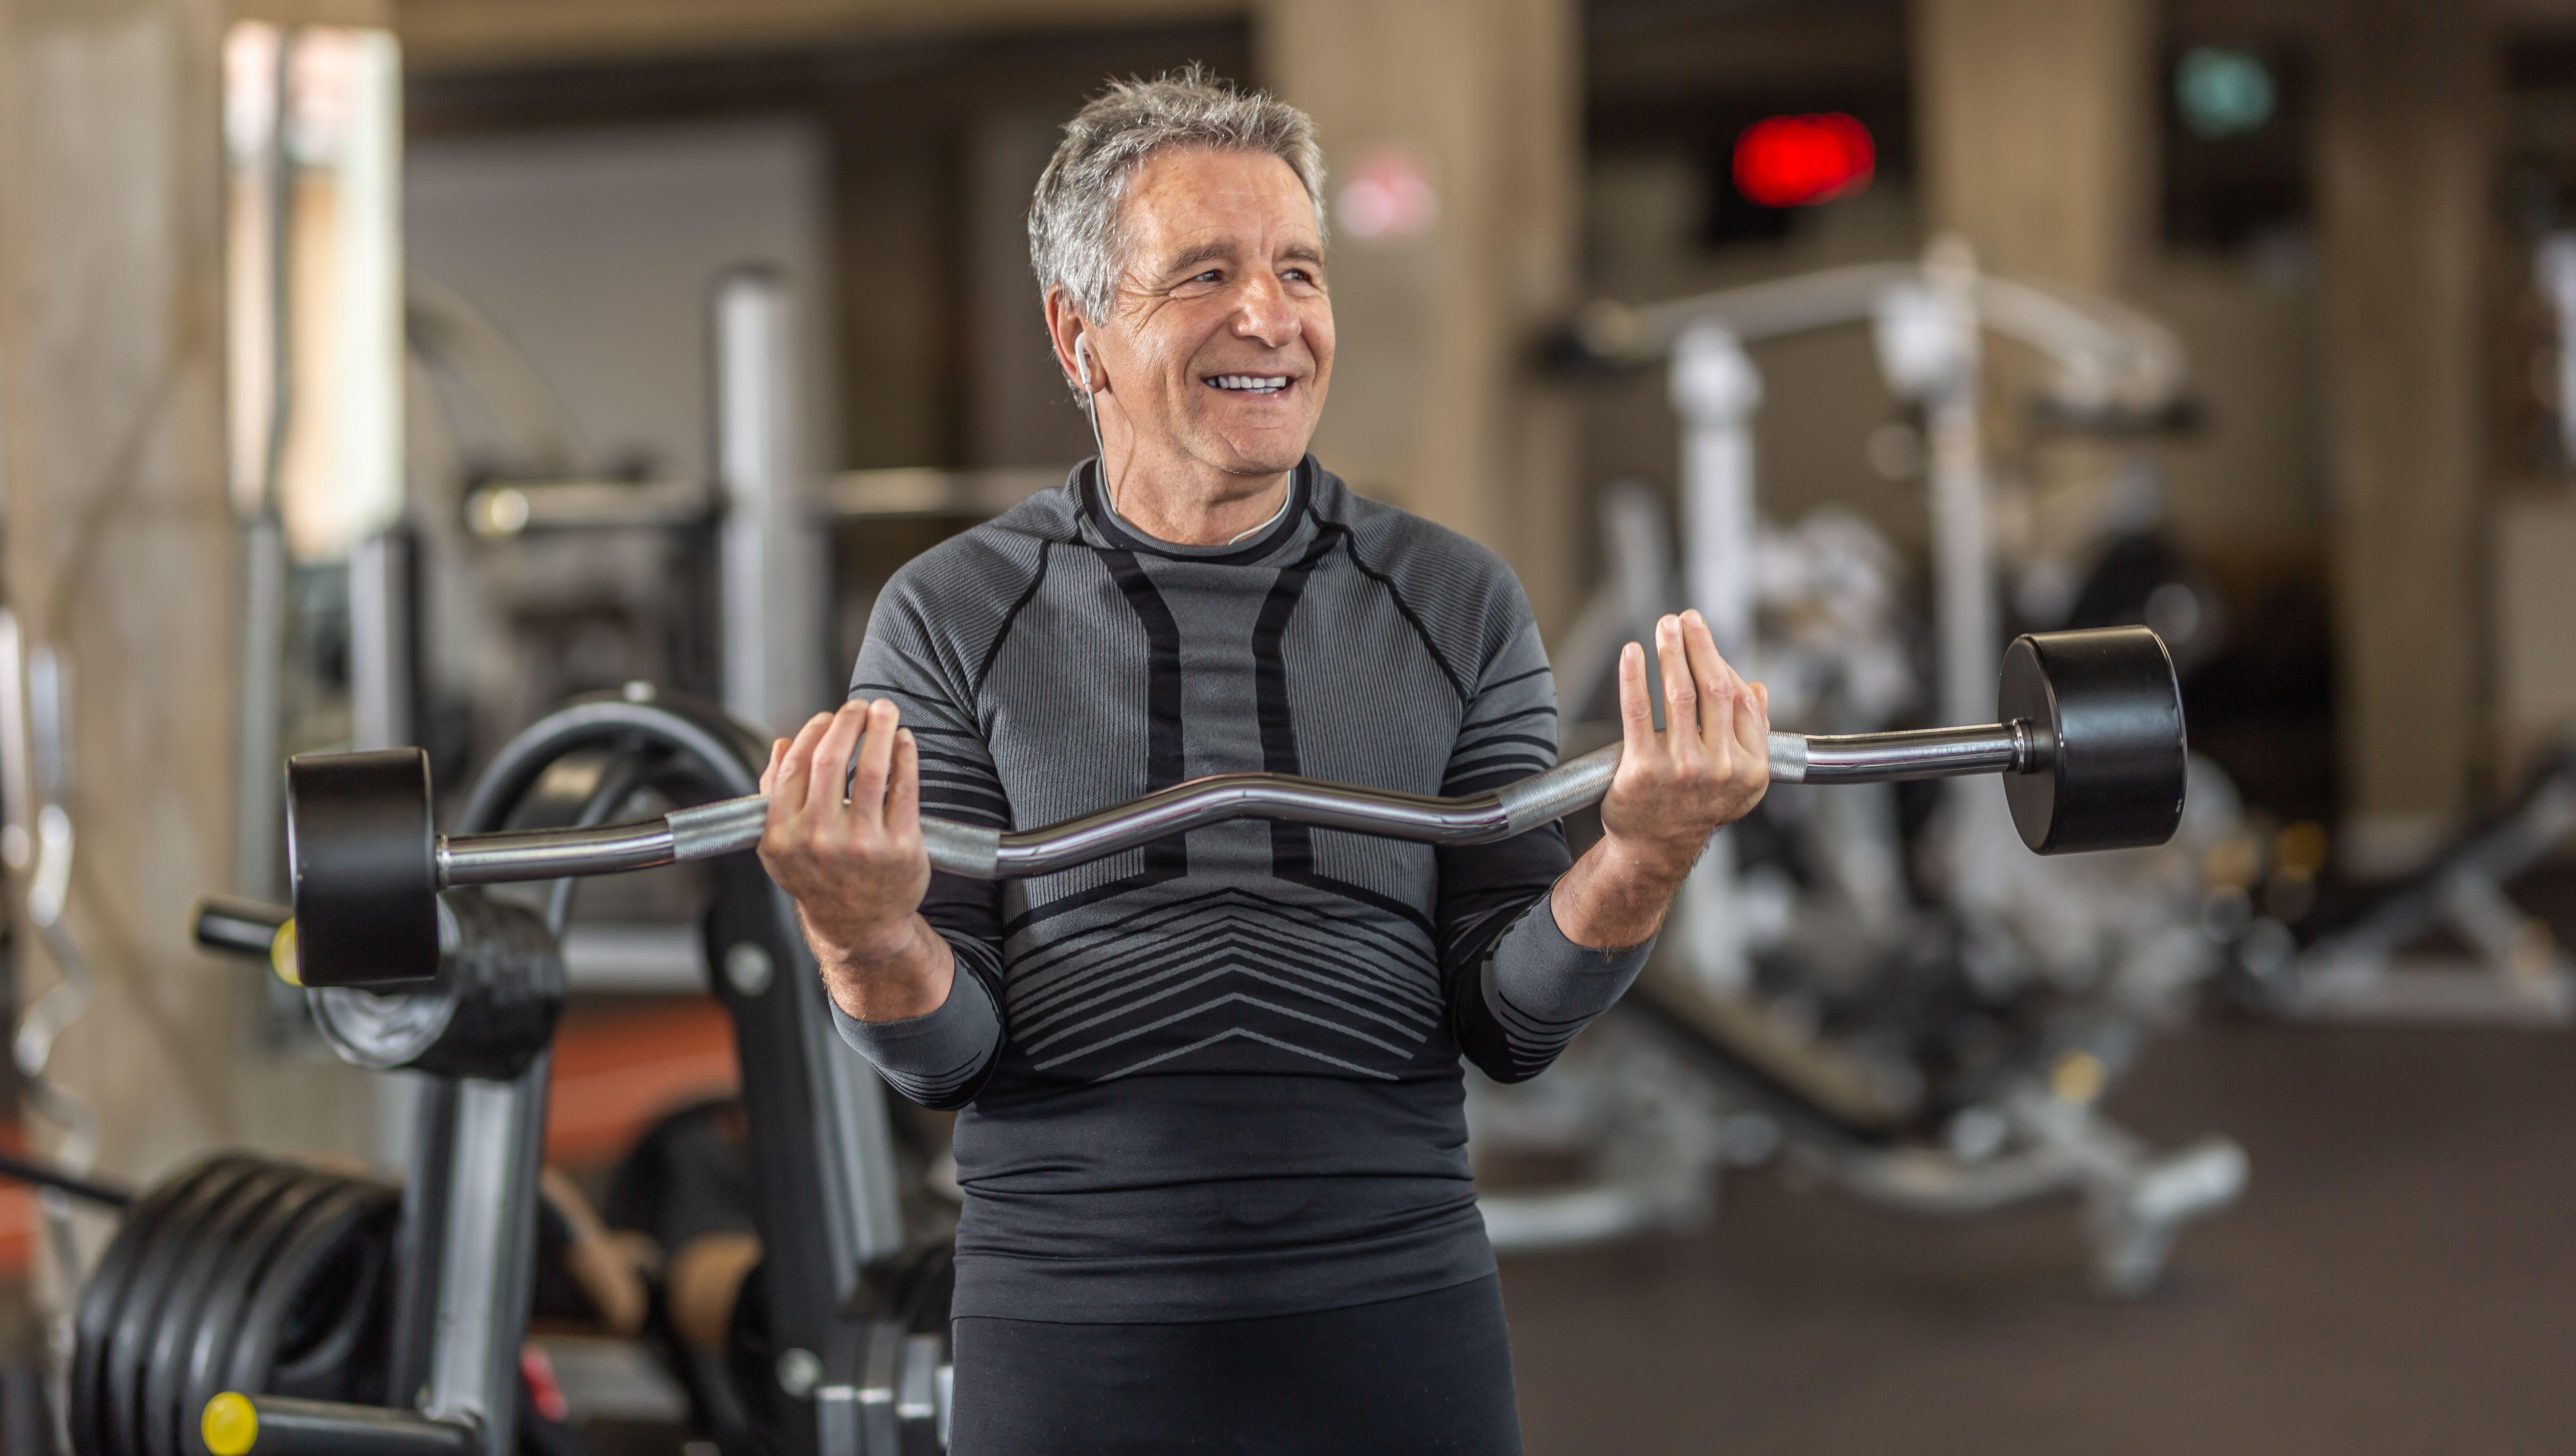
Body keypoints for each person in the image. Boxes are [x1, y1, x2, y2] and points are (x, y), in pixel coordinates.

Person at [756, 66, 1768, 1456]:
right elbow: (950, 1055)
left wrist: (1648, 857)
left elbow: (1512, 1023)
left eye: (1300, 270)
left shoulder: (1453, 600)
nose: (1269, 317)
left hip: (1395, 1311)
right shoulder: (950, 616)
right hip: (1073, 1323)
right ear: (1080, 335)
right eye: (1206, 274)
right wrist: (857, 930)